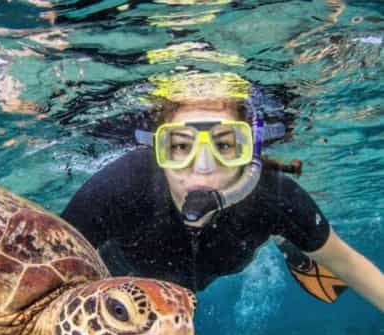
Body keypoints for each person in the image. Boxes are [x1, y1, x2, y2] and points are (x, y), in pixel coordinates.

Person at [62, 73, 384, 312]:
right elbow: (44, 264)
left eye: (225, 145)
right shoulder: (123, 185)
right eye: (181, 147)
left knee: (282, 218)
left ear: (249, 152)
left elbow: (350, 265)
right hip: (126, 269)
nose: (202, 168)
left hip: (228, 258)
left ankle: (289, 239)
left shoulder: (274, 195)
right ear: (159, 149)